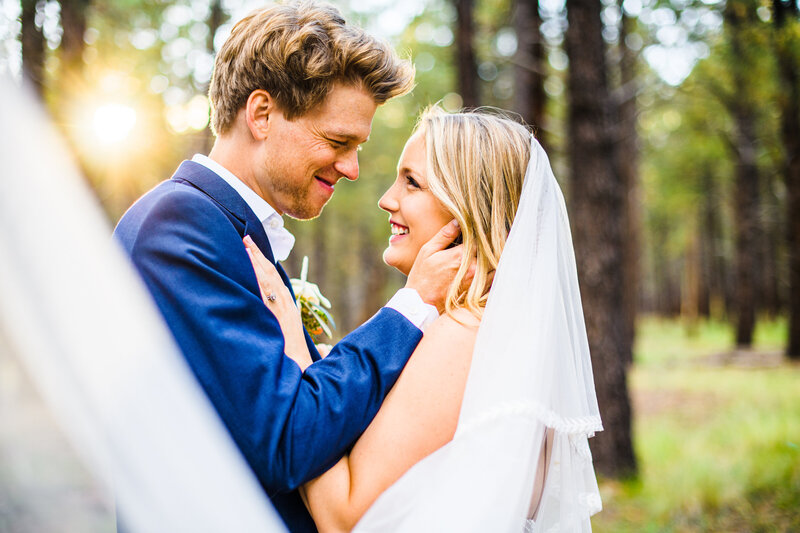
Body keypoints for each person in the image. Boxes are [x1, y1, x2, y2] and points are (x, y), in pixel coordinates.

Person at [113, 3, 467, 531]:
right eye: (337, 142)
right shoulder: (179, 225)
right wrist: (411, 307)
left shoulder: (224, 230)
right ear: (260, 114)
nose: (351, 168)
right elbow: (287, 440)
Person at [246, 107, 604, 532]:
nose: (387, 199)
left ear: (468, 209)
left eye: (412, 182)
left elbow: (342, 516)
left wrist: (296, 348)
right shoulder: (496, 334)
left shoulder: (464, 336)